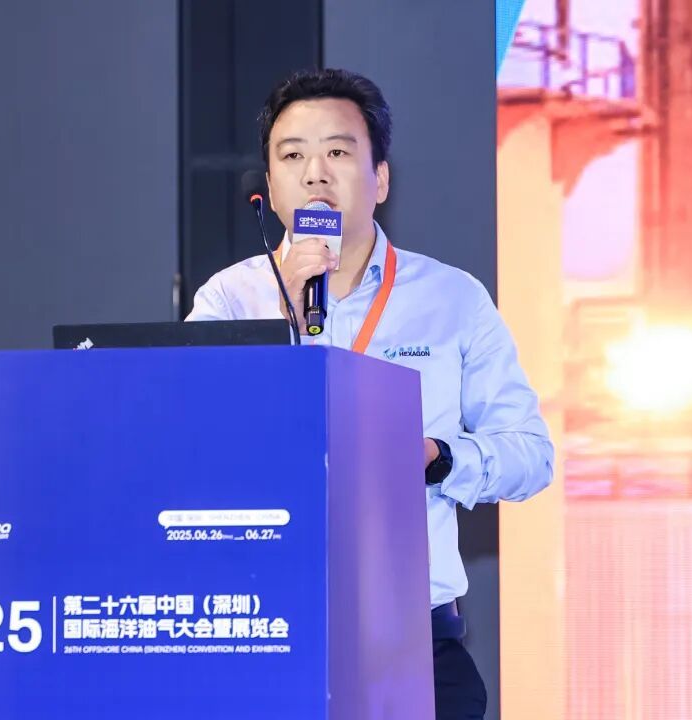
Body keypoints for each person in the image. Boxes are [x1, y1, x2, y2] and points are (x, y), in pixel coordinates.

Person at [186, 67, 554, 720]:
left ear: (380, 179)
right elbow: (184, 438)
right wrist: (281, 313)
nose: (315, 174)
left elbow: (531, 454)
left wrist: (438, 457)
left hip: (412, 647)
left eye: (337, 151)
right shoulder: (229, 299)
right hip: (259, 638)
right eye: (292, 156)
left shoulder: (452, 299)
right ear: (269, 185)